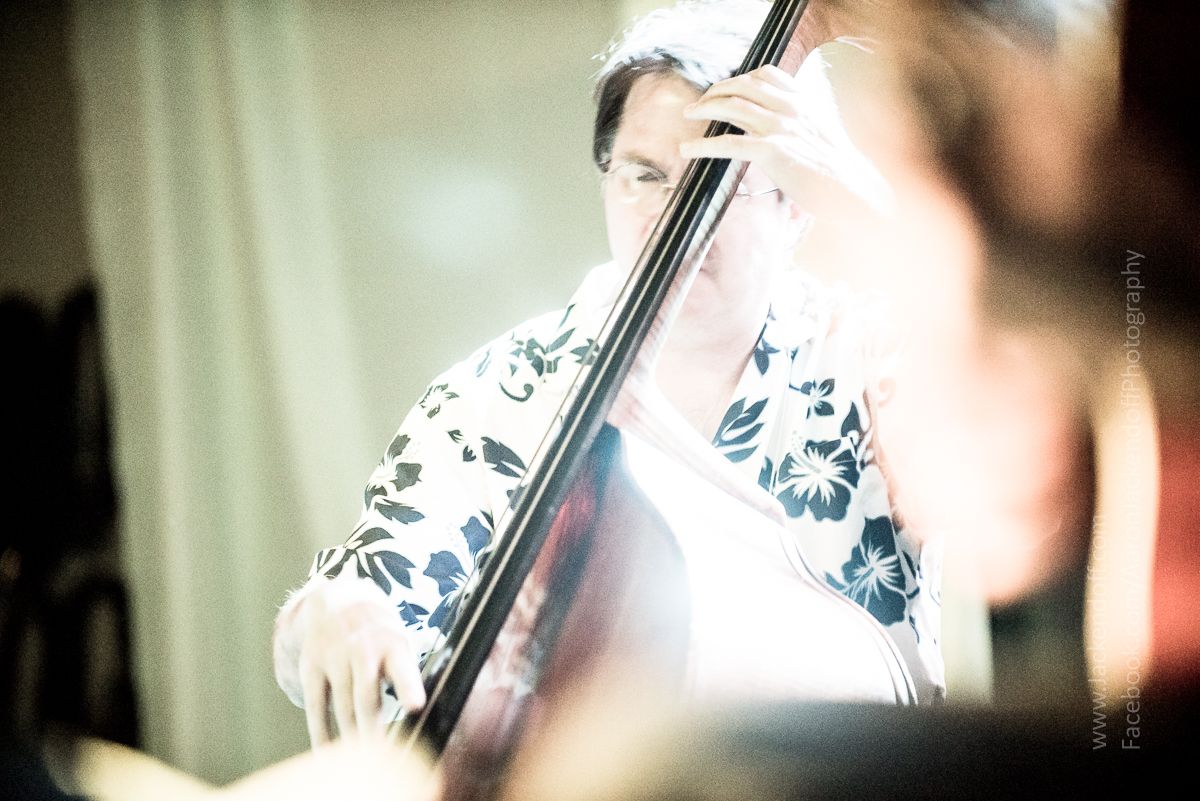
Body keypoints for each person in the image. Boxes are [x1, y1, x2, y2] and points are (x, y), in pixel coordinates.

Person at [273, 0, 945, 747]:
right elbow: (370, 591)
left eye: (723, 178)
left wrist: (866, 205)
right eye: (644, 175)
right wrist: (333, 614)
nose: (677, 212)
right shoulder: (494, 398)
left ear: (797, 209)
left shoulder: (880, 359)